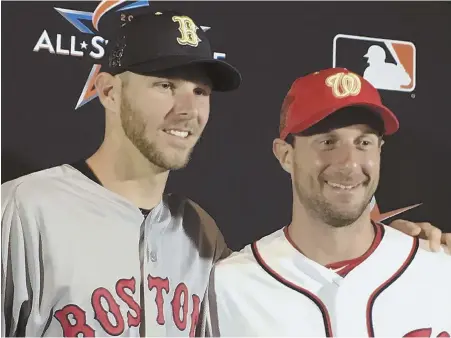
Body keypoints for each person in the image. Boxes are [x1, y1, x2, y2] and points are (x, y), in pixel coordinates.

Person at [1, 10, 449, 337]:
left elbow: (286, 280)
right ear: (109, 91)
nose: (187, 109)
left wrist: (393, 243)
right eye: (164, 85)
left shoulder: (198, 234)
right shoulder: (25, 210)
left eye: (200, 90)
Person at [206, 68, 451, 337]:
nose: (349, 163)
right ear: (286, 156)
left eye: (364, 142)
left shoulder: (439, 271)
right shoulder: (229, 288)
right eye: (327, 141)